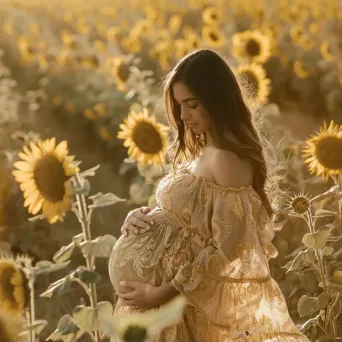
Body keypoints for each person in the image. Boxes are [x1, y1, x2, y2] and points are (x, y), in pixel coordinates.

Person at [108, 49, 309, 341]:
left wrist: (160, 293)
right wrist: (140, 216)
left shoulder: (226, 160)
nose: (183, 115)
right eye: (178, 105)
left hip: (178, 308)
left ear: (218, 101)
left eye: (192, 104)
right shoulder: (205, 151)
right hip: (159, 306)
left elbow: (230, 248)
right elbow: (186, 219)